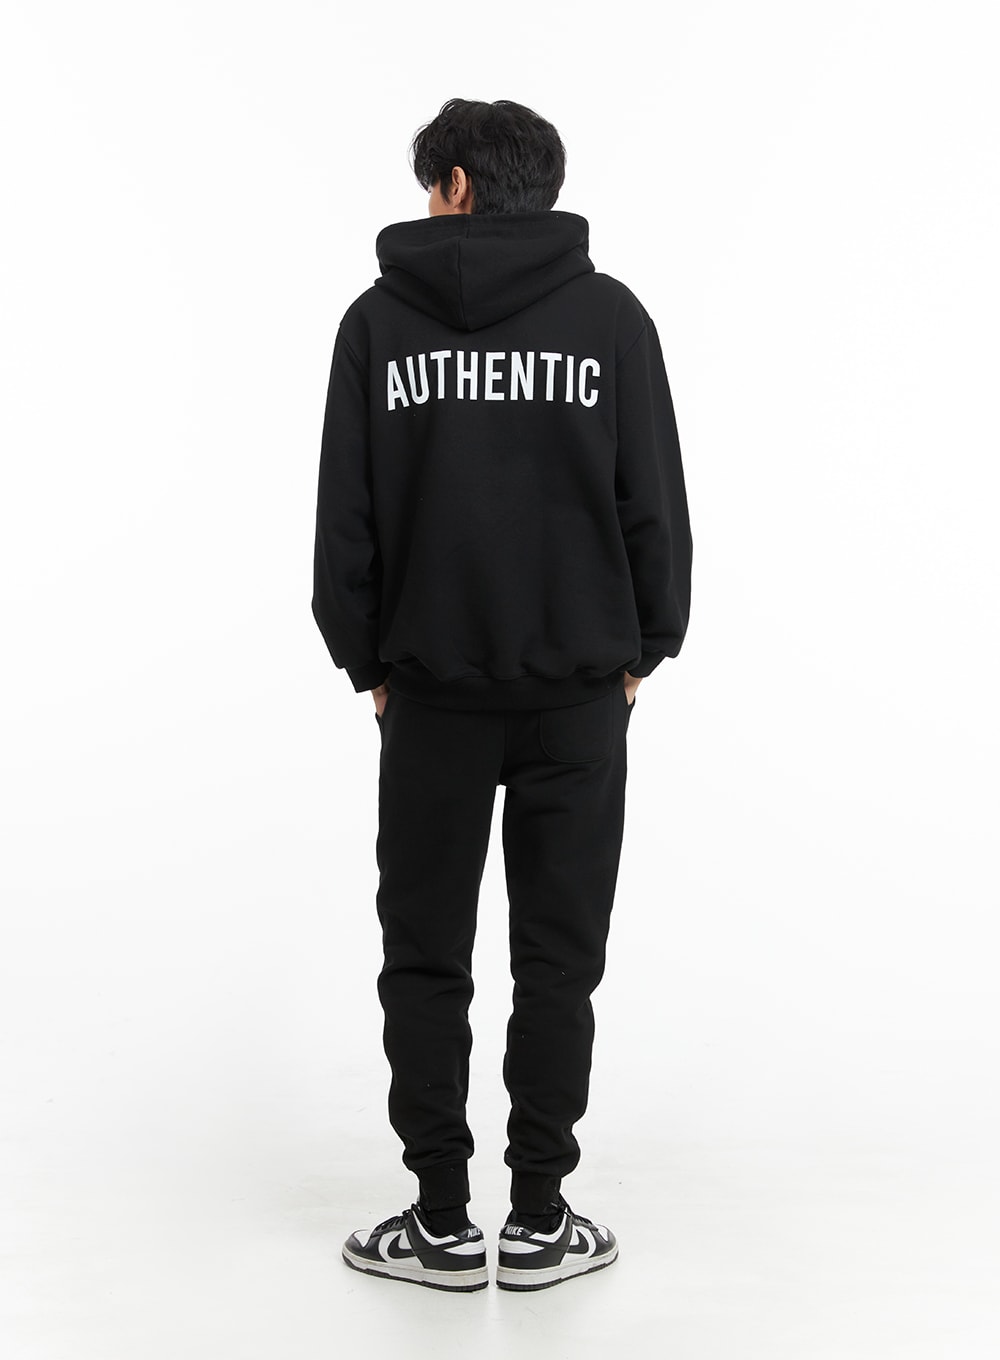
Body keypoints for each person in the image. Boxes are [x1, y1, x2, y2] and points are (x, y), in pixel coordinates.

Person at [311, 97, 693, 1293]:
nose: (427, 204)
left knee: (424, 955)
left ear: (461, 186)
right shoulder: (611, 320)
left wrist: (368, 660)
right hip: (580, 695)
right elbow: (652, 503)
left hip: (429, 694)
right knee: (558, 961)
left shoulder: (378, 325)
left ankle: (436, 1220)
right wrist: (643, 646)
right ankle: (537, 1219)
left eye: (432, 184)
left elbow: (346, 523)